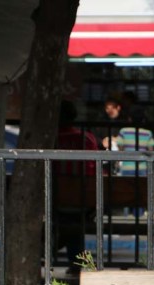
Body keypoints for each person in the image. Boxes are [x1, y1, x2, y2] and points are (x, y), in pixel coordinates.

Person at [54, 100, 98, 273]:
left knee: (67, 222)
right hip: (84, 203)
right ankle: (78, 263)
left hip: (55, 201)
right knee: (74, 222)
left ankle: (73, 260)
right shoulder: (86, 138)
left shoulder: (52, 140)